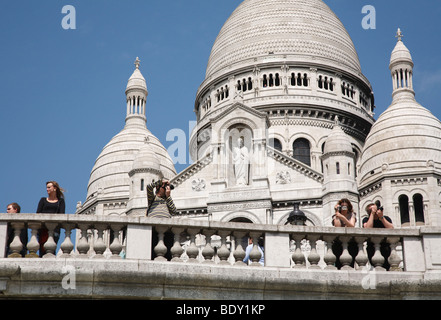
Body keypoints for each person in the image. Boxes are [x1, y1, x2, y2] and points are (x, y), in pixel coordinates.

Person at [147, 178, 177, 260]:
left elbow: (174, 211)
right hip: (153, 230)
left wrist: (168, 197)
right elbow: (149, 187)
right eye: (165, 188)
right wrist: (161, 182)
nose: (167, 190)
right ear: (158, 188)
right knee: (152, 254)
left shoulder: (167, 200)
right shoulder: (152, 199)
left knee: (167, 254)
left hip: (167, 231)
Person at [36, 181, 66, 256]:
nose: (47, 189)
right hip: (42, 229)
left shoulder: (61, 201)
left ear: (55, 188)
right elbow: (38, 214)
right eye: (47, 187)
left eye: (49, 187)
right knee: (42, 250)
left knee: (51, 250)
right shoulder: (42, 200)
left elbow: (62, 215)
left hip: (55, 229)